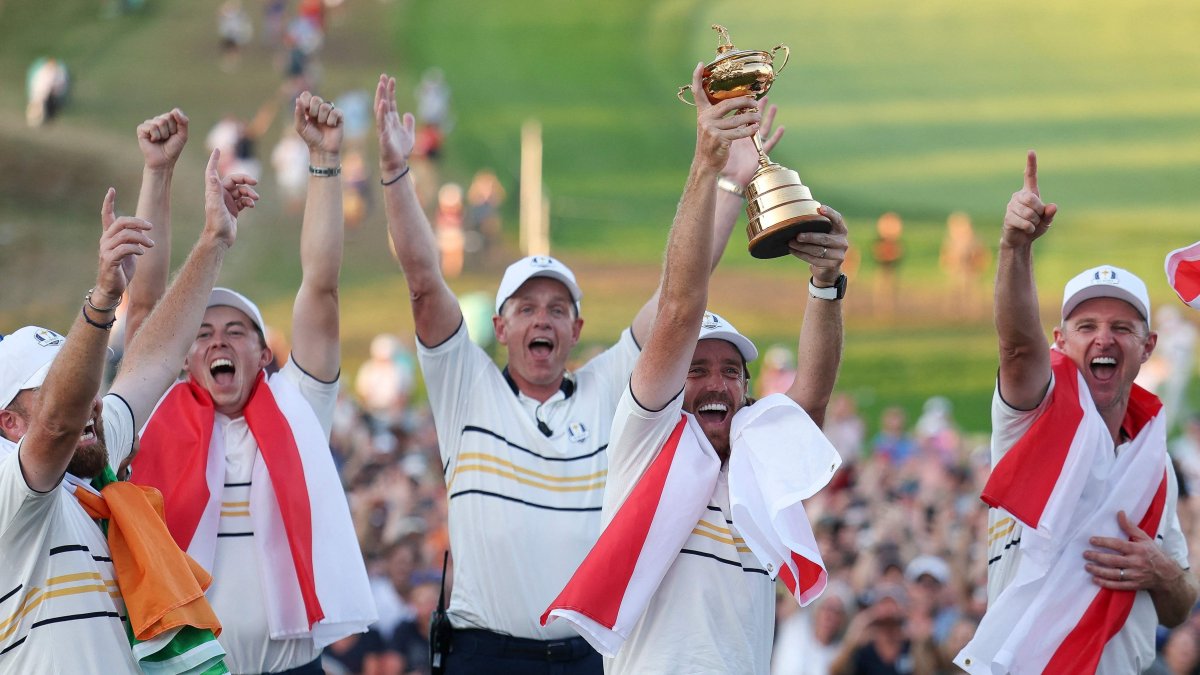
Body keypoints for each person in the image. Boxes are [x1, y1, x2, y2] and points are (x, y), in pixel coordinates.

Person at [373, 70, 785, 674]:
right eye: (528, 307)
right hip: (483, 653)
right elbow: (422, 279)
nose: (544, 319)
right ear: (501, 325)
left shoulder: (610, 385)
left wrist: (729, 182)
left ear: (577, 327)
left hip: (588, 654)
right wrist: (394, 173)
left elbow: (681, 294)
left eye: (558, 308)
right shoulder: (466, 386)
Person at [542, 64, 847, 675]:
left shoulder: (756, 460)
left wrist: (826, 285)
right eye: (698, 369)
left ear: (746, 389)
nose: (715, 383)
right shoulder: (646, 438)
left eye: (731, 372)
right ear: (672, 382)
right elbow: (679, 308)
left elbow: (810, 399)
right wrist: (707, 166)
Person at [128, 93, 376, 675]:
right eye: (201, 331)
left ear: (265, 353)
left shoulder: (297, 406)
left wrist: (324, 161)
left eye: (236, 330)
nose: (218, 341)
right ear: (181, 358)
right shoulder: (158, 409)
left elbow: (321, 287)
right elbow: (145, 305)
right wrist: (158, 172)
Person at [0, 144, 254, 672]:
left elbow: (152, 361)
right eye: (55, 387)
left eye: (84, 382)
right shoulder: (11, 490)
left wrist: (213, 240)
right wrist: (101, 301)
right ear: (10, 423)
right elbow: (57, 423)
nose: (88, 399)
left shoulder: (88, 459)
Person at [955, 152, 1199, 674]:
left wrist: (1163, 574)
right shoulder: (1032, 415)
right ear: (1061, 342)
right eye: (1086, 326)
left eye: (1122, 327)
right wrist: (1013, 246)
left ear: (1148, 345)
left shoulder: (1152, 457)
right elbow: (1017, 348)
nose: (1104, 339)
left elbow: (1178, 610)